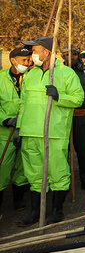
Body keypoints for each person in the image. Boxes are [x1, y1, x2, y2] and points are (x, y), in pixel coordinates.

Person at [17, 36, 83, 225]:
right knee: (35, 175)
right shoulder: (30, 75)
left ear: (47, 52)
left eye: (36, 50)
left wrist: (59, 96)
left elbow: (78, 99)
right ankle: (36, 211)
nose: (33, 54)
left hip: (54, 132)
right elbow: (23, 103)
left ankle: (56, 211)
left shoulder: (66, 74)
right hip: (30, 132)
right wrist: (19, 129)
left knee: (58, 173)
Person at [62, 44, 85, 192]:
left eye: (74, 54)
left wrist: (77, 90)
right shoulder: (58, 72)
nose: (70, 58)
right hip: (63, 115)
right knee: (62, 150)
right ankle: (63, 183)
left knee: (83, 151)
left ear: (78, 55)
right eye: (66, 55)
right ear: (62, 57)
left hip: (82, 115)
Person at [0, 47, 33, 211]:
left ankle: (19, 199)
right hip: (5, 133)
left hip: (26, 130)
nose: (27, 64)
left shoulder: (31, 77)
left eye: (28, 60)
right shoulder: (1, 79)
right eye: (23, 61)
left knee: (23, 167)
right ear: (13, 60)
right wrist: (5, 120)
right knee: (3, 168)